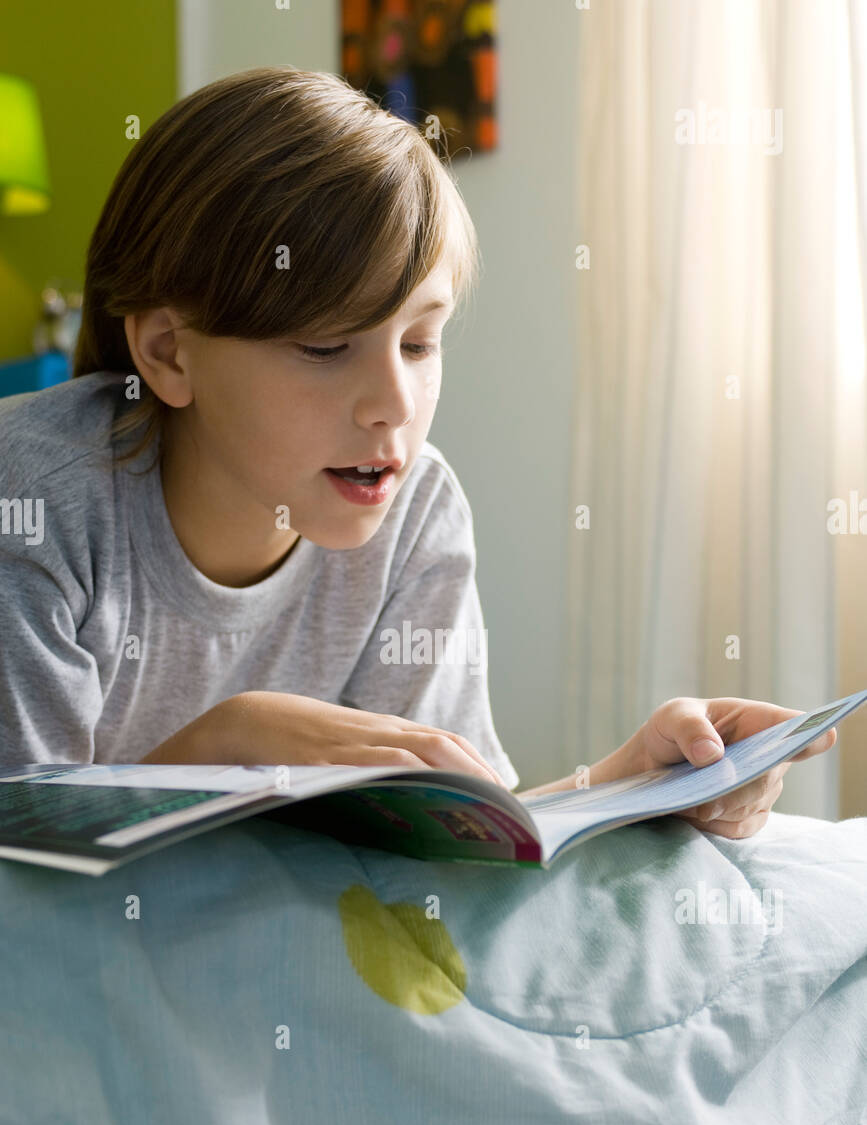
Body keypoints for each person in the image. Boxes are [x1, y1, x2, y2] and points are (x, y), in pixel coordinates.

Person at [0, 67, 835, 838]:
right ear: (169, 355)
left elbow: (452, 825)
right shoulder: (36, 500)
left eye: (420, 342)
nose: (394, 406)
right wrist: (218, 751)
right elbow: (23, 880)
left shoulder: (415, 507)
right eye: (327, 347)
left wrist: (635, 783)